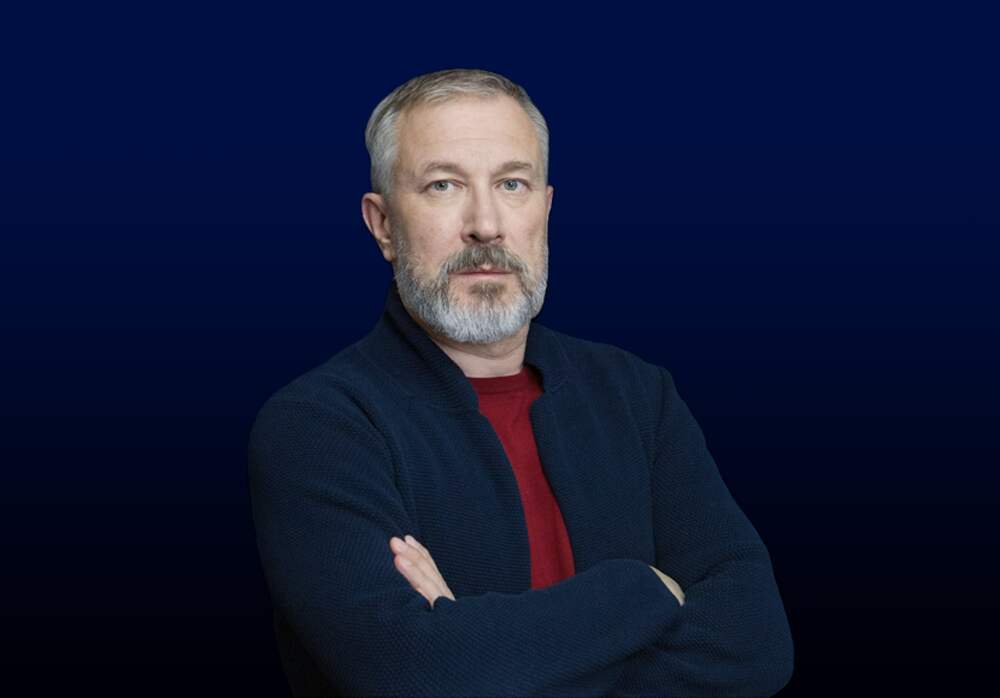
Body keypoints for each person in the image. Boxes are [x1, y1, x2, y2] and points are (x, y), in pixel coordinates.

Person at [248, 68, 794, 698]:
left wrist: (479, 651)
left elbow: (757, 645)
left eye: (512, 183)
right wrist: (643, 588)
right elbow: (406, 675)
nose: (486, 224)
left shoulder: (639, 396)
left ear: (546, 208)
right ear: (383, 225)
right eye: (444, 185)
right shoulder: (320, 425)